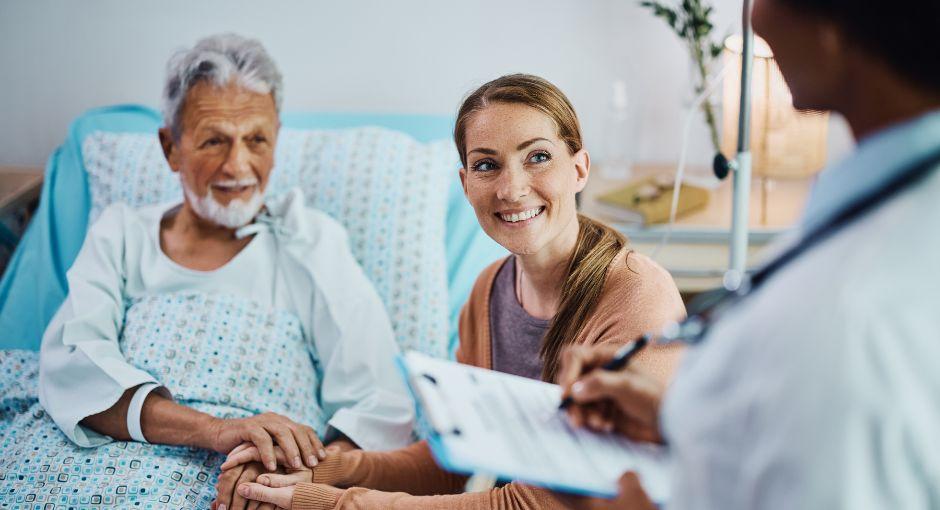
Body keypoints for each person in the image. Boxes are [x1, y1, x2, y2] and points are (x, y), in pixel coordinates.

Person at [224, 73, 687, 509]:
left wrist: (339, 501)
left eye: (538, 156)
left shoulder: (637, 297)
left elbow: (540, 502)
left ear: (580, 168)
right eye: (487, 165)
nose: (511, 188)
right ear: (466, 184)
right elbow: (454, 462)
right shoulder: (487, 292)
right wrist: (319, 470)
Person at [555, 0, 940, 508]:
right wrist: (690, 418)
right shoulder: (893, 207)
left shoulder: (850, 321)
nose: (752, 18)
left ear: (836, 29)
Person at [3, 33, 415, 508]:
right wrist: (216, 431)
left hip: (249, 478)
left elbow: (380, 401)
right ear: (170, 147)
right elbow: (74, 364)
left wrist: (296, 474)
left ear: (277, 139)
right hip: (88, 461)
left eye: (256, 139)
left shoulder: (312, 242)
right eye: (214, 140)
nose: (237, 165)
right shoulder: (122, 234)